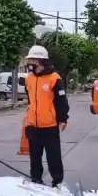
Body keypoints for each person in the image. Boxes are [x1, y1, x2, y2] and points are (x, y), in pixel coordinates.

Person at [23, 45, 69, 186]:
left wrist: (63, 118)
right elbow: (30, 100)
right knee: (35, 157)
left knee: (53, 156)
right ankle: (36, 179)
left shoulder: (54, 78)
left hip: (49, 125)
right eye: (29, 59)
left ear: (41, 61)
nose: (29, 62)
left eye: (32, 60)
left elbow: (62, 101)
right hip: (33, 125)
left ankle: (57, 181)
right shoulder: (29, 79)